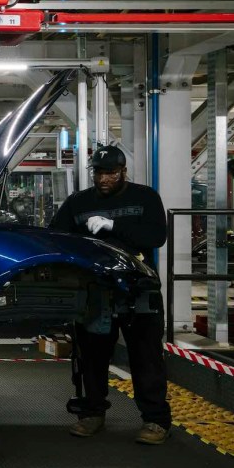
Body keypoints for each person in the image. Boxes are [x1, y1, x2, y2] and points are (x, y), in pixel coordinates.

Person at [49, 145, 172, 445]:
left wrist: (113, 225)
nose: (104, 180)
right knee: (91, 358)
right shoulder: (79, 203)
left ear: (123, 172)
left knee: (146, 358)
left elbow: (156, 237)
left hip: (138, 290)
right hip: (96, 292)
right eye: (99, 174)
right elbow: (56, 237)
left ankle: (155, 421)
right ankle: (92, 414)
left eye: (111, 174)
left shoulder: (145, 198)